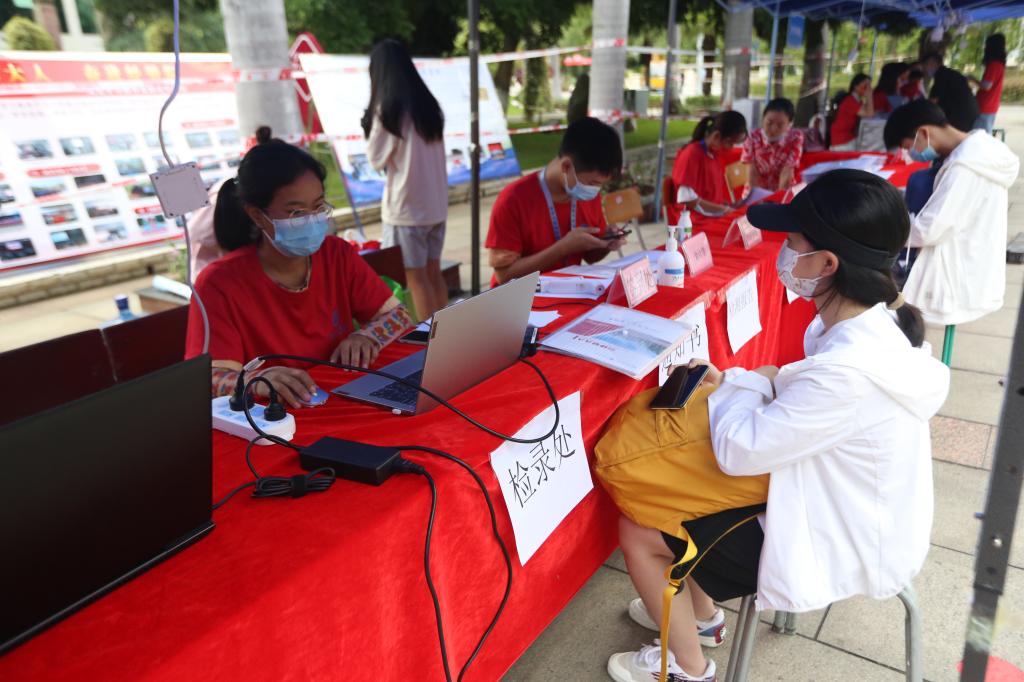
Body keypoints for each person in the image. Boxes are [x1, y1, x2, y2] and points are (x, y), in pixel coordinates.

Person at [607, 170, 950, 682]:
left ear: (828, 264)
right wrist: (749, 380)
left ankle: (686, 668)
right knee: (679, 491)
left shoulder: (848, 372)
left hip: (837, 534)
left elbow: (739, 449)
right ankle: (699, 619)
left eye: (792, 242)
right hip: (835, 498)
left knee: (639, 527)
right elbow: (787, 384)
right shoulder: (872, 325)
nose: (784, 252)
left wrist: (738, 385)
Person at [184, 133, 414, 407]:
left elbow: (398, 317)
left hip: (343, 397)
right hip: (275, 418)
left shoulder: (336, 254)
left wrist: (366, 337)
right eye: (296, 212)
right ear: (257, 215)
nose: (311, 220)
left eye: (318, 207)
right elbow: (207, 381)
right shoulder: (219, 284)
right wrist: (256, 380)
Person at [883, 99, 1019, 326]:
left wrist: (883, 228)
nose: (910, 155)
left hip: (958, 274)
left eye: (908, 147)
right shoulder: (979, 151)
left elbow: (929, 229)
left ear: (923, 133)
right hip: (973, 262)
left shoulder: (966, 166)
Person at [362, 39, 449, 321]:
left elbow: (375, 158)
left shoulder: (389, 111)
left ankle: (434, 338)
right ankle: (448, 331)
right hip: (436, 207)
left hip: (407, 210)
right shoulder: (429, 107)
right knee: (434, 274)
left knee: (416, 278)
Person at [485, 117, 626, 285]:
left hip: (570, 290)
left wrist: (606, 243)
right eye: (593, 183)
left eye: (601, 184)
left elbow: (590, 257)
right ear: (566, 166)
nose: (596, 190)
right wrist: (562, 248)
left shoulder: (588, 194)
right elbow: (504, 276)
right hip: (522, 297)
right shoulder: (513, 200)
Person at [671, 111, 747, 218]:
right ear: (716, 136)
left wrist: (726, 205)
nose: (731, 147)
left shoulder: (713, 155)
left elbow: (709, 195)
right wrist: (724, 210)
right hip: (693, 220)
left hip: (710, 217)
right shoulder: (692, 154)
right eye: (730, 143)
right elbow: (687, 198)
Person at [740, 98, 804, 192]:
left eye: (780, 125)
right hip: (756, 191)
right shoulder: (752, 137)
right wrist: (758, 197)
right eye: (769, 123)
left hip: (783, 192)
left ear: (789, 124)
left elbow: (787, 171)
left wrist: (779, 198)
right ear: (763, 119)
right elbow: (752, 173)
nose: (773, 129)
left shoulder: (795, 137)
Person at [924, 52, 979, 133]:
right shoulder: (950, 73)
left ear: (935, 63)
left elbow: (933, 101)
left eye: (927, 64)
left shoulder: (941, 75)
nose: (925, 68)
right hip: (969, 112)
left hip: (960, 115)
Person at [969, 33, 1007, 134]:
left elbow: (986, 86)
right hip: (991, 105)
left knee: (979, 136)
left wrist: (972, 78)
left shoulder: (994, 65)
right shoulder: (1000, 65)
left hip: (985, 105)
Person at [829, 74, 873, 150]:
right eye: (865, 86)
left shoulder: (857, 100)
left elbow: (869, 111)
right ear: (856, 87)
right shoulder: (850, 101)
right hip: (842, 141)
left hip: (848, 138)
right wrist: (869, 96)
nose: (868, 89)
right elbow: (869, 114)